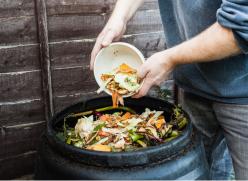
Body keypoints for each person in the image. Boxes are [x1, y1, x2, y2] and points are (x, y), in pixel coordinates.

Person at [90, 0, 248, 179]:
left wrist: (170, 59)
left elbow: (241, 27)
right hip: (193, 85)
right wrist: (119, 17)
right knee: (198, 173)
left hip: (243, 92)